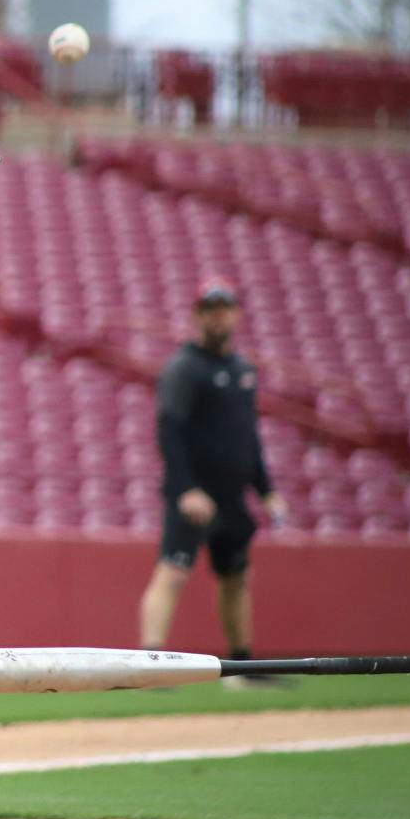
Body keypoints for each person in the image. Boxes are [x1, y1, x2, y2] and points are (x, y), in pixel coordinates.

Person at [136, 281, 288, 684]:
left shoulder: (242, 370)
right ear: (198, 315)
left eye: (225, 308)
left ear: (236, 314)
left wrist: (267, 489)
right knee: (173, 571)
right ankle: (150, 664)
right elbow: (170, 429)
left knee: (237, 576)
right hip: (193, 494)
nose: (218, 315)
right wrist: (185, 487)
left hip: (232, 495)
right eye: (210, 308)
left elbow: (248, 436)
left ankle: (241, 665)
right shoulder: (184, 368)